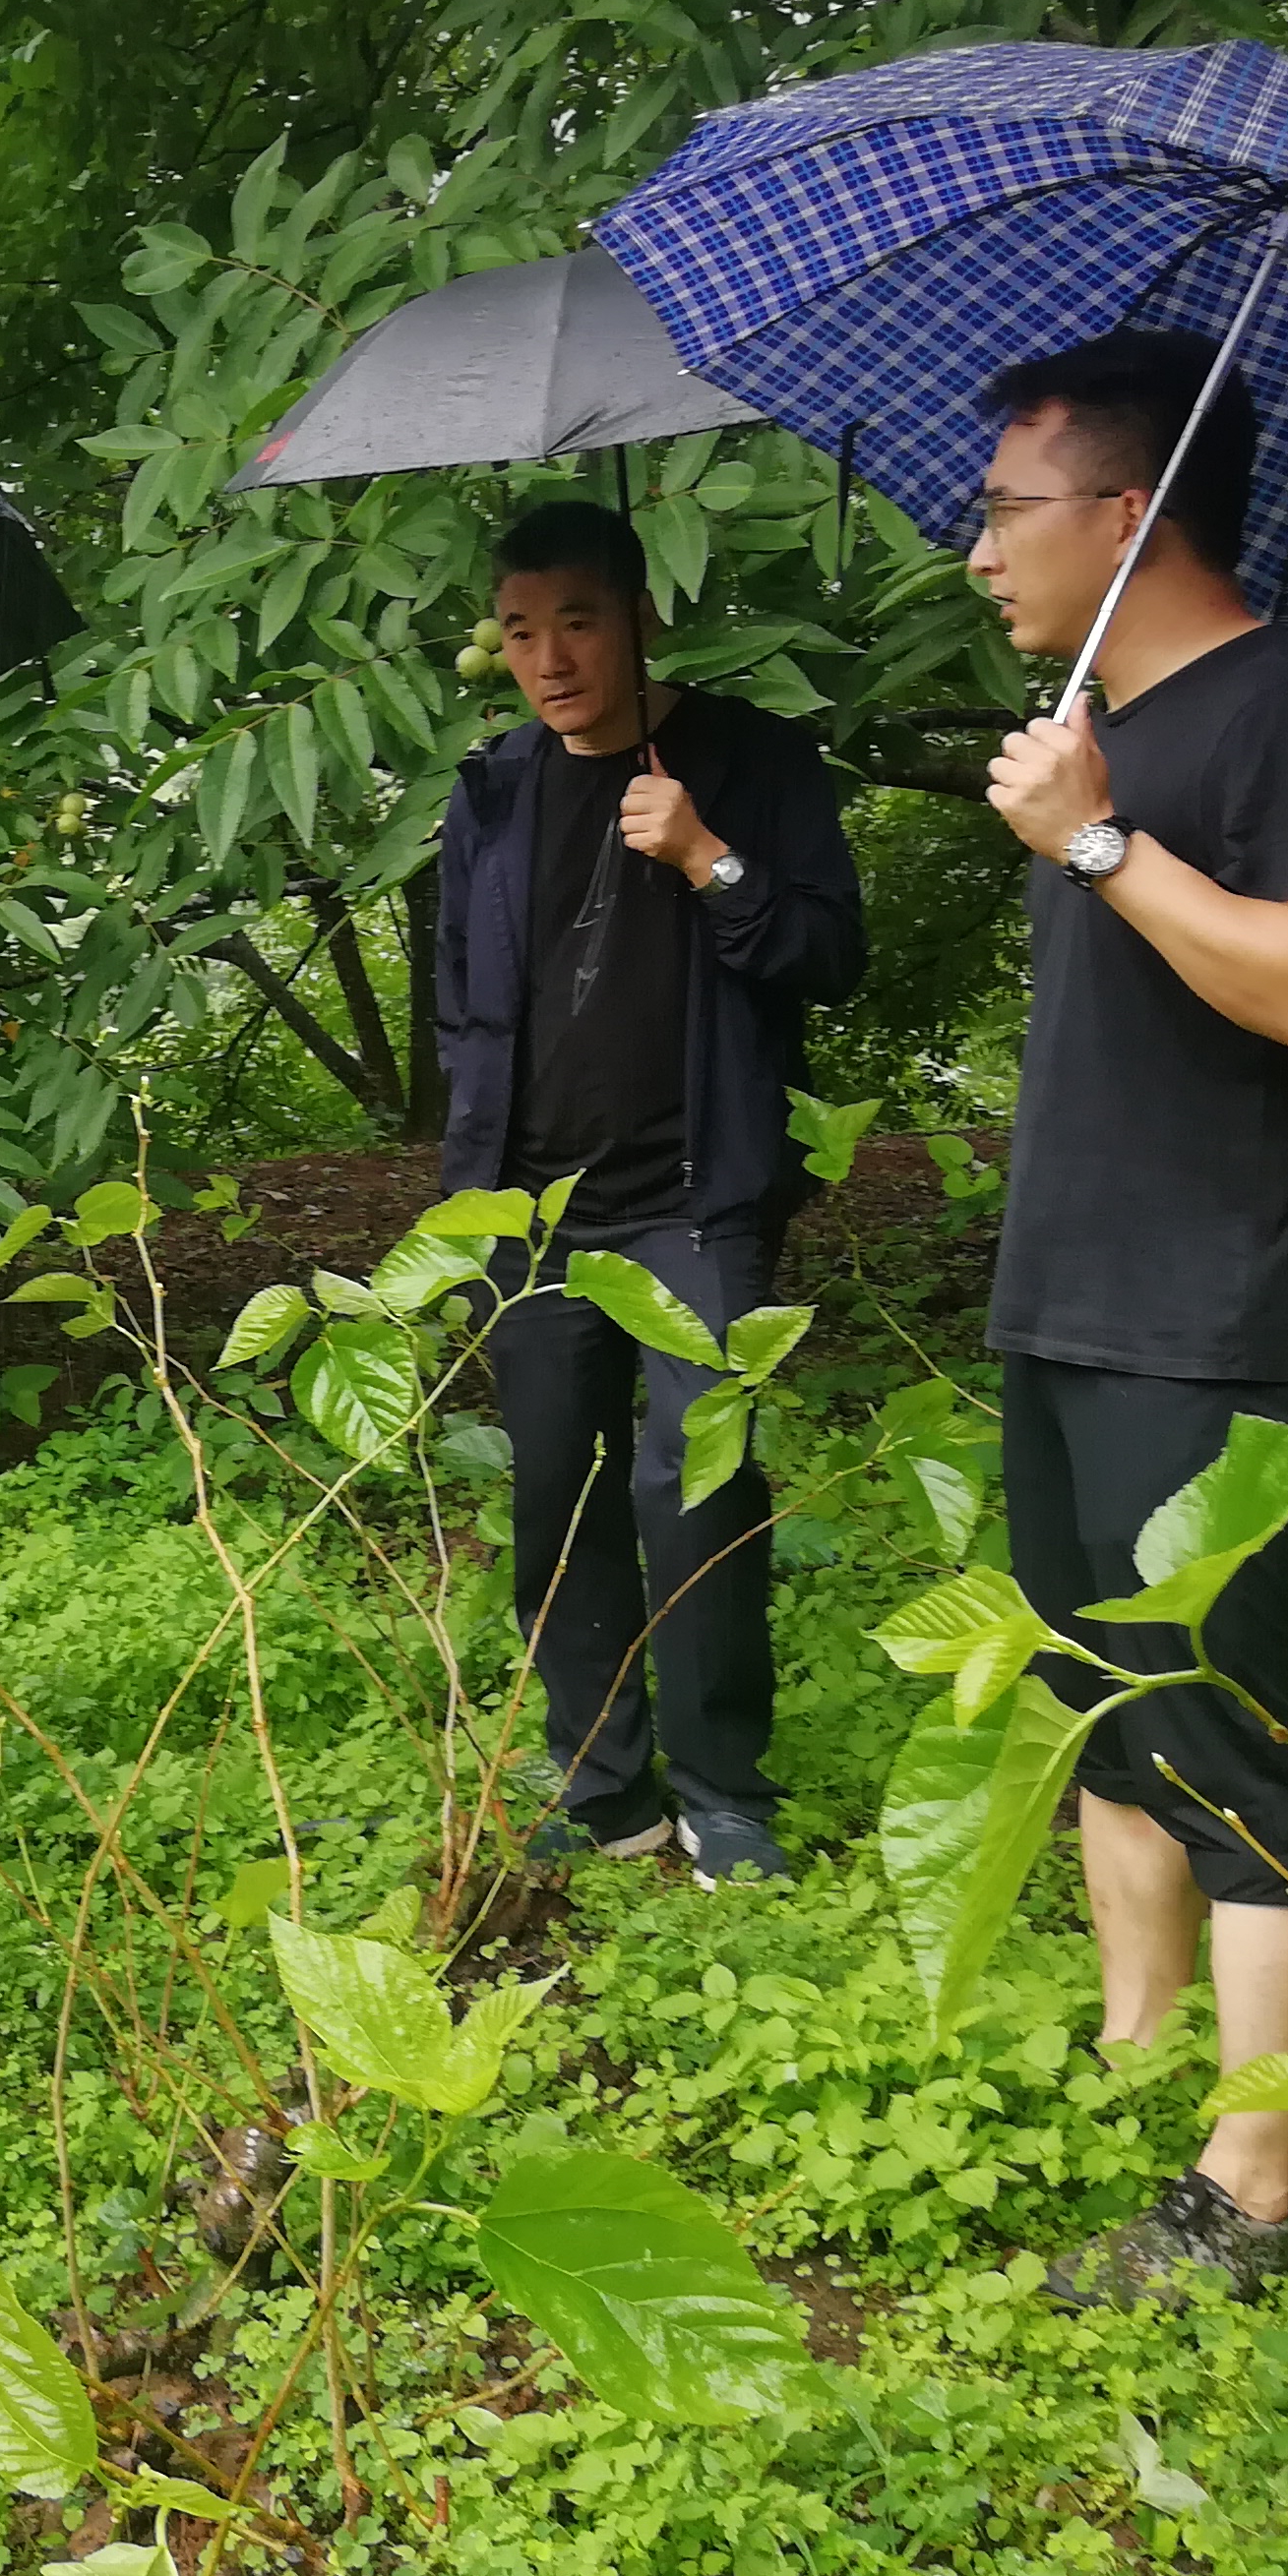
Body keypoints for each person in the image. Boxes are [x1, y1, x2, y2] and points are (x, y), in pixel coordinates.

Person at [963, 331, 1288, 2309]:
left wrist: (1093, 843)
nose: (975, 550)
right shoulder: (1093, 737)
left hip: (1217, 1323)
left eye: (1002, 511)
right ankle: (1140, 2063)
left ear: (1123, 516)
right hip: (1070, 1302)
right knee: (1098, 1702)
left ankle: (1251, 2180)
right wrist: (1084, 815)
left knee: (1232, 1739)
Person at [432, 500, 866, 1885]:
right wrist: (472, 1188)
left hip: (697, 1199)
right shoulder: (492, 788)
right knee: (558, 1494)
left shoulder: (752, 761)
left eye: (577, 621)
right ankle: (605, 1785)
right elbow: (459, 995)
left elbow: (828, 954)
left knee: (701, 1492)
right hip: (537, 1214)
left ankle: (725, 1788)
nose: (548, 657)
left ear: (641, 618)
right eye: (519, 630)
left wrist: (706, 857)